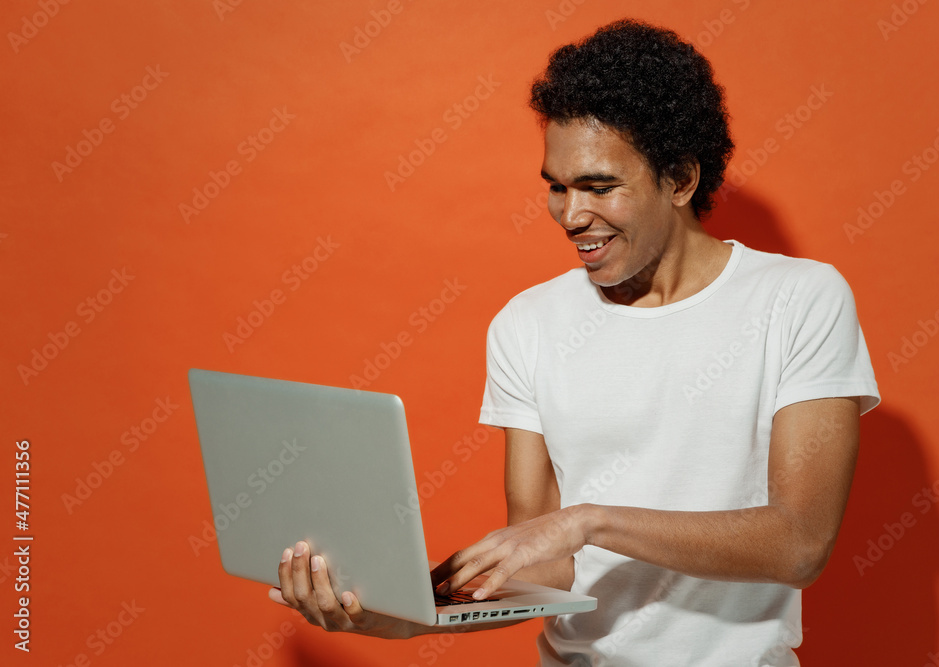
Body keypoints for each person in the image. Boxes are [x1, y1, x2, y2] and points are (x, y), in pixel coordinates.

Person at [269, 18, 880, 666]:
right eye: (557, 186)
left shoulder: (801, 300)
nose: (570, 215)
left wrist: (589, 520)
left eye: (598, 186)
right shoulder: (526, 325)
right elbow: (544, 563)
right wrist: (398, 616)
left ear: (679, 180)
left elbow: (799, 542)